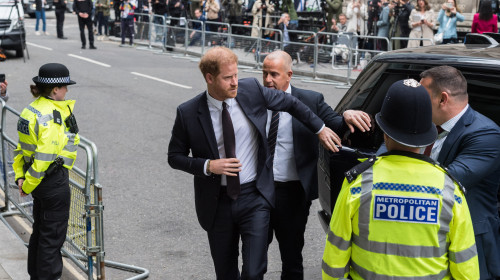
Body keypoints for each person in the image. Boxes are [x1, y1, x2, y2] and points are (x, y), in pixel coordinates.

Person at [167, 46, 342, 279]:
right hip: (217, 203)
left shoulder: (250, 90)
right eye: (227, 78)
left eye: (236, 75)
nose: (235, 83)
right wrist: (208, 166)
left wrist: (320, 129)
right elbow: (174, 156)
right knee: (226, 273)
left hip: (254, 197)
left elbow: (291, 103)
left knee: (253, 272)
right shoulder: (188, 112)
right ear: (210, 78)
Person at [322, 78, 479, 279]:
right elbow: (466, 269)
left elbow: (334, 260)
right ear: (428, 134)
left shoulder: (358, 184)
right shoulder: (449, 190)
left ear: (384, 132)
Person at [262, 50, 371, 280]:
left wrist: (348, 114)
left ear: (289, 75)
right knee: (255, 256)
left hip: (292, 194)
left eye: (274, 74)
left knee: (291, 258)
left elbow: (336, 125)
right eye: (265, 74)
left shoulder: (311, 100)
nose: (268, 80)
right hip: (258, 191)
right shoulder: (256, 99)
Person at [419, 65, 500, 280]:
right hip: (426, 236)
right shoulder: (424, 124)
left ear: (442, 99)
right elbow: (385, 150)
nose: (417, 103)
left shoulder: (485, 133)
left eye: (422, 96)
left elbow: (446, 180)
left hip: (470, 243)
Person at [13, 63, 80, 280]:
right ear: (54, 90)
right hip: (51, 182)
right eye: (64, 87)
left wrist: (21, 177)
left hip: (39, 182)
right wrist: (29, 183)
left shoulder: (30, 109)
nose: (67, 91)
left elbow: (21, 150)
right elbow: (43, 159)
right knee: (52, 240)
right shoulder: (52, 117)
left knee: (40, 234)